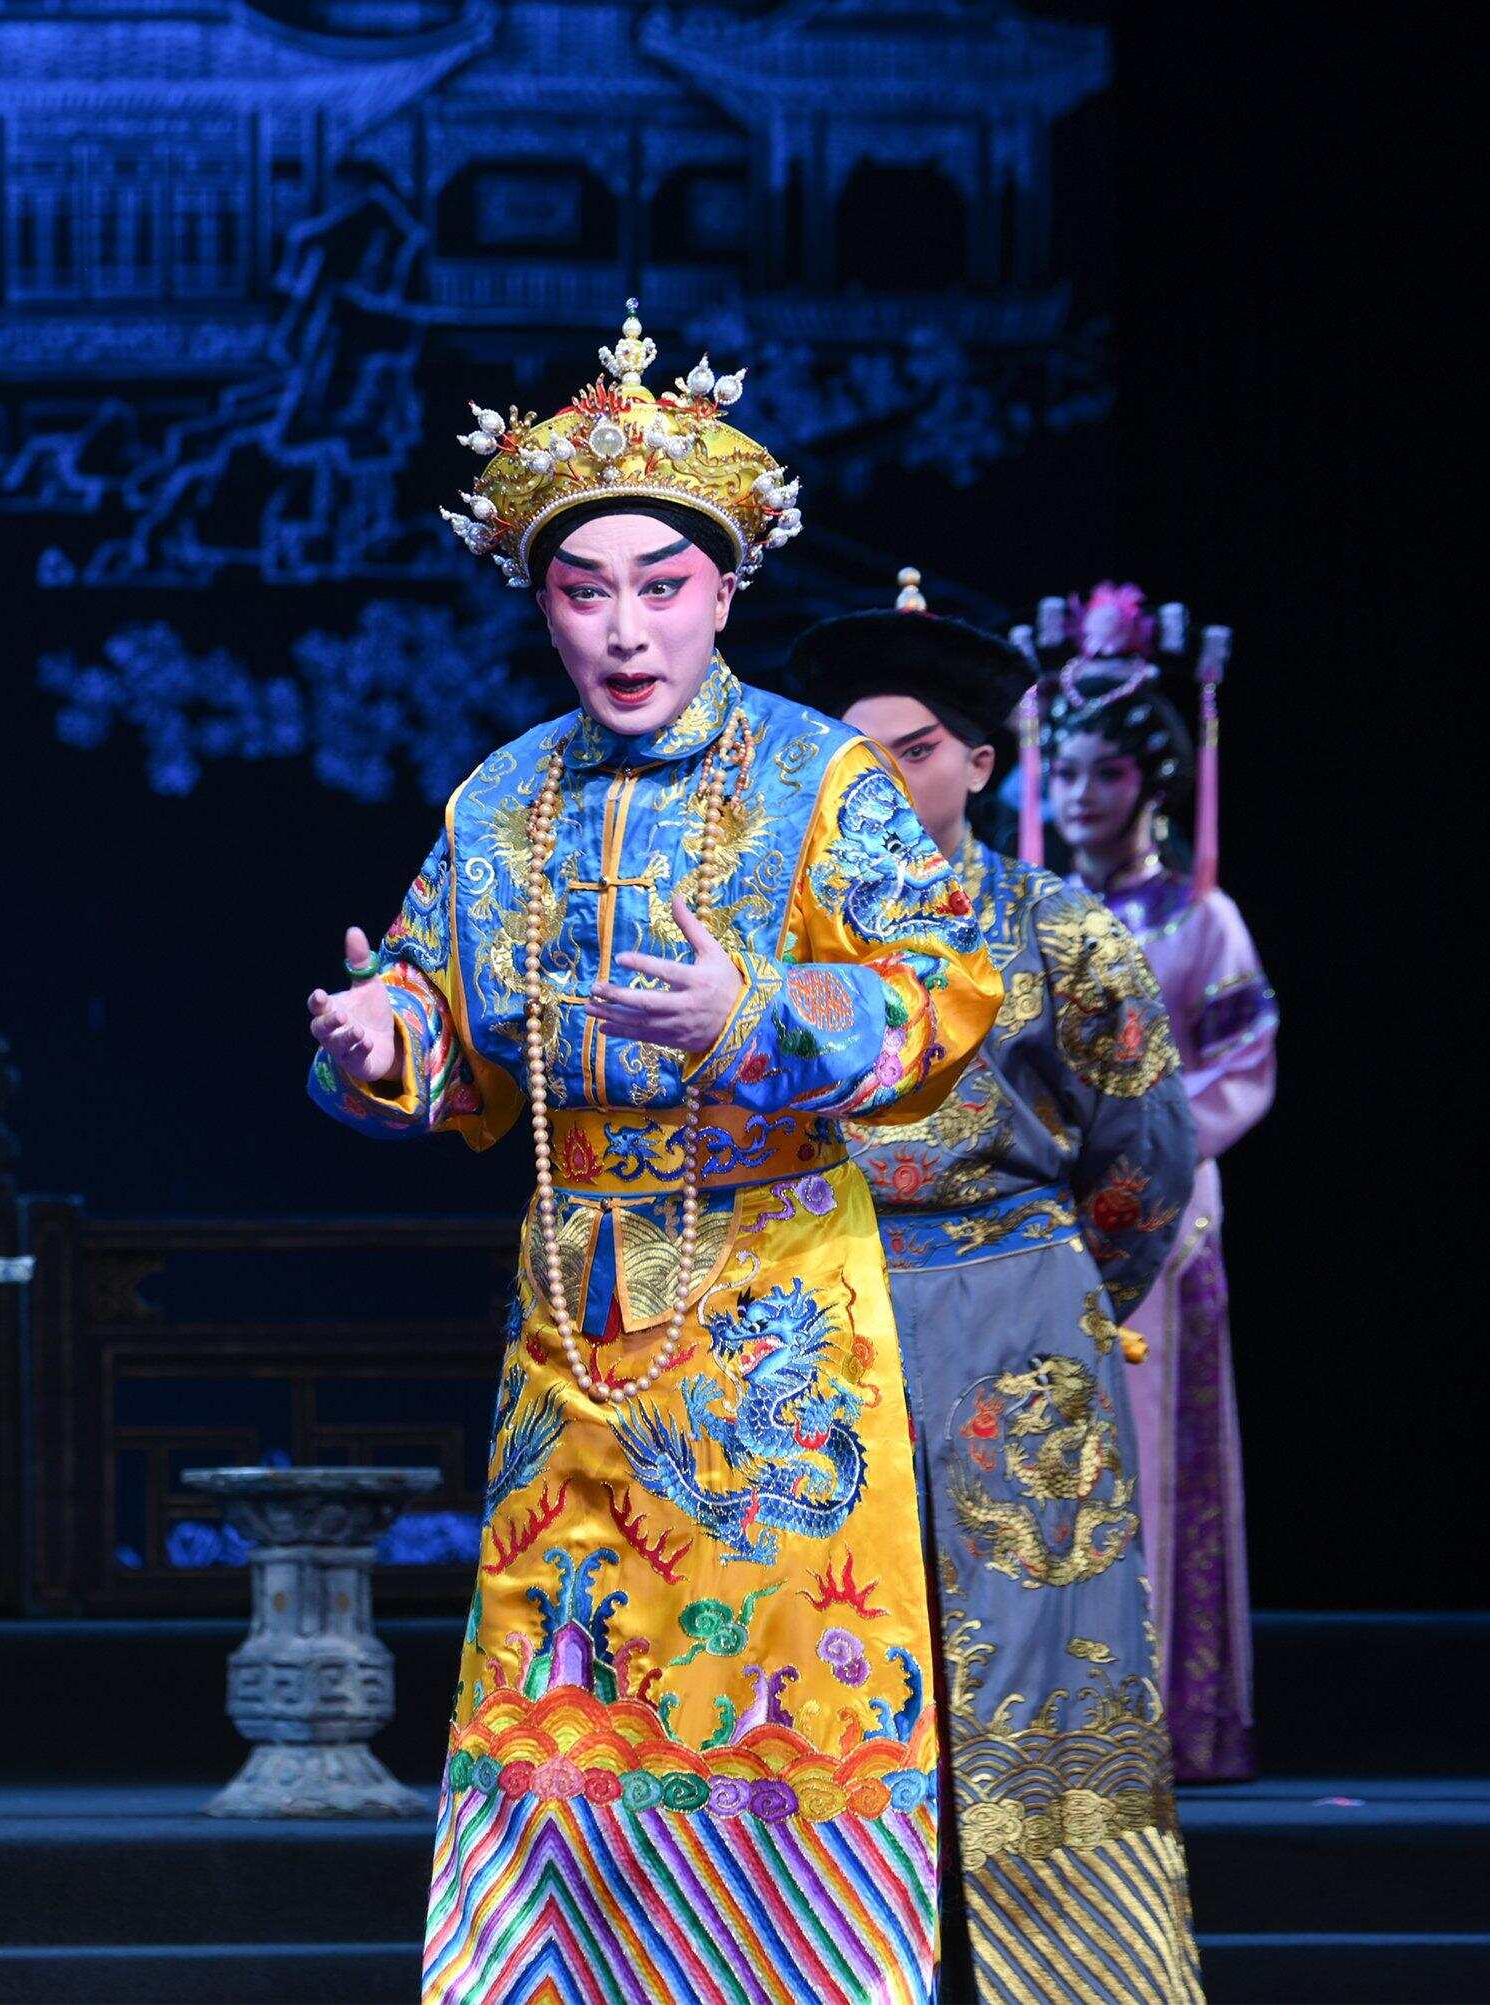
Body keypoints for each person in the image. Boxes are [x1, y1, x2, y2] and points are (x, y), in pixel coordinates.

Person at [312, 308, 1000, 2003]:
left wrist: (753, 1014)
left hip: (778, 1318)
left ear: (723, 593)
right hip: (575, 1324)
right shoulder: (500, 802)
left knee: (787, 1689)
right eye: (584, 590)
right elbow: (440, 1014)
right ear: (539, 602)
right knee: (564, 1699)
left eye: (661, 586)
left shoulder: (823, 779)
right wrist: (385, 1044)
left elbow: (942, 996)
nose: (624, 630)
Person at [798, 570, 1204, 2003]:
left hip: (1015, 1316)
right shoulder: (775, 945)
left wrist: (1056, 1294)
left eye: (911, 749)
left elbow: (1143, 1158)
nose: (881, 779)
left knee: (1040, 1652)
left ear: (977, 761)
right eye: (851, 755)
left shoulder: (1061, 928)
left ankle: (1071, 1968)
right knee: (824, 1642)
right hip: (810, 1317)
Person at [1044, 585, 1275, 1782]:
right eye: (1062, 771)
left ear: (1154, 783)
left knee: (1148, 1449)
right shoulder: (1025, 912)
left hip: (1162, 1221)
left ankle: (1162, 1717)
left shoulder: (1198, 920)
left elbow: (1240, 1067)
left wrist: (1150, 1162)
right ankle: (1048, 1715)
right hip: (1039, 1211)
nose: (1078, 794)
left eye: (1105, 772)